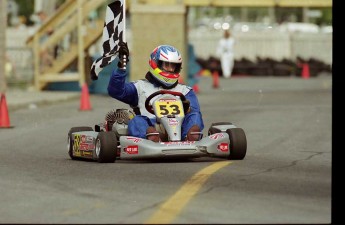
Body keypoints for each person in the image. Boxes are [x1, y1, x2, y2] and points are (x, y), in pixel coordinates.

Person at [107, 43, 204, 142]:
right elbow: (116, 91)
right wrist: (121, 68)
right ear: (155, 64)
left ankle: (191, 138)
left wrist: (187, 109)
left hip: (180, 128)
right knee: (137, 120)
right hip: (152, 126)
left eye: (174, 66)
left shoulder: (185, 91)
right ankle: (152, 138)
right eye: (167, 65)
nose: (171, 69)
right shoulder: (140, 87)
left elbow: (194, 111)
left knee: (195, 116)